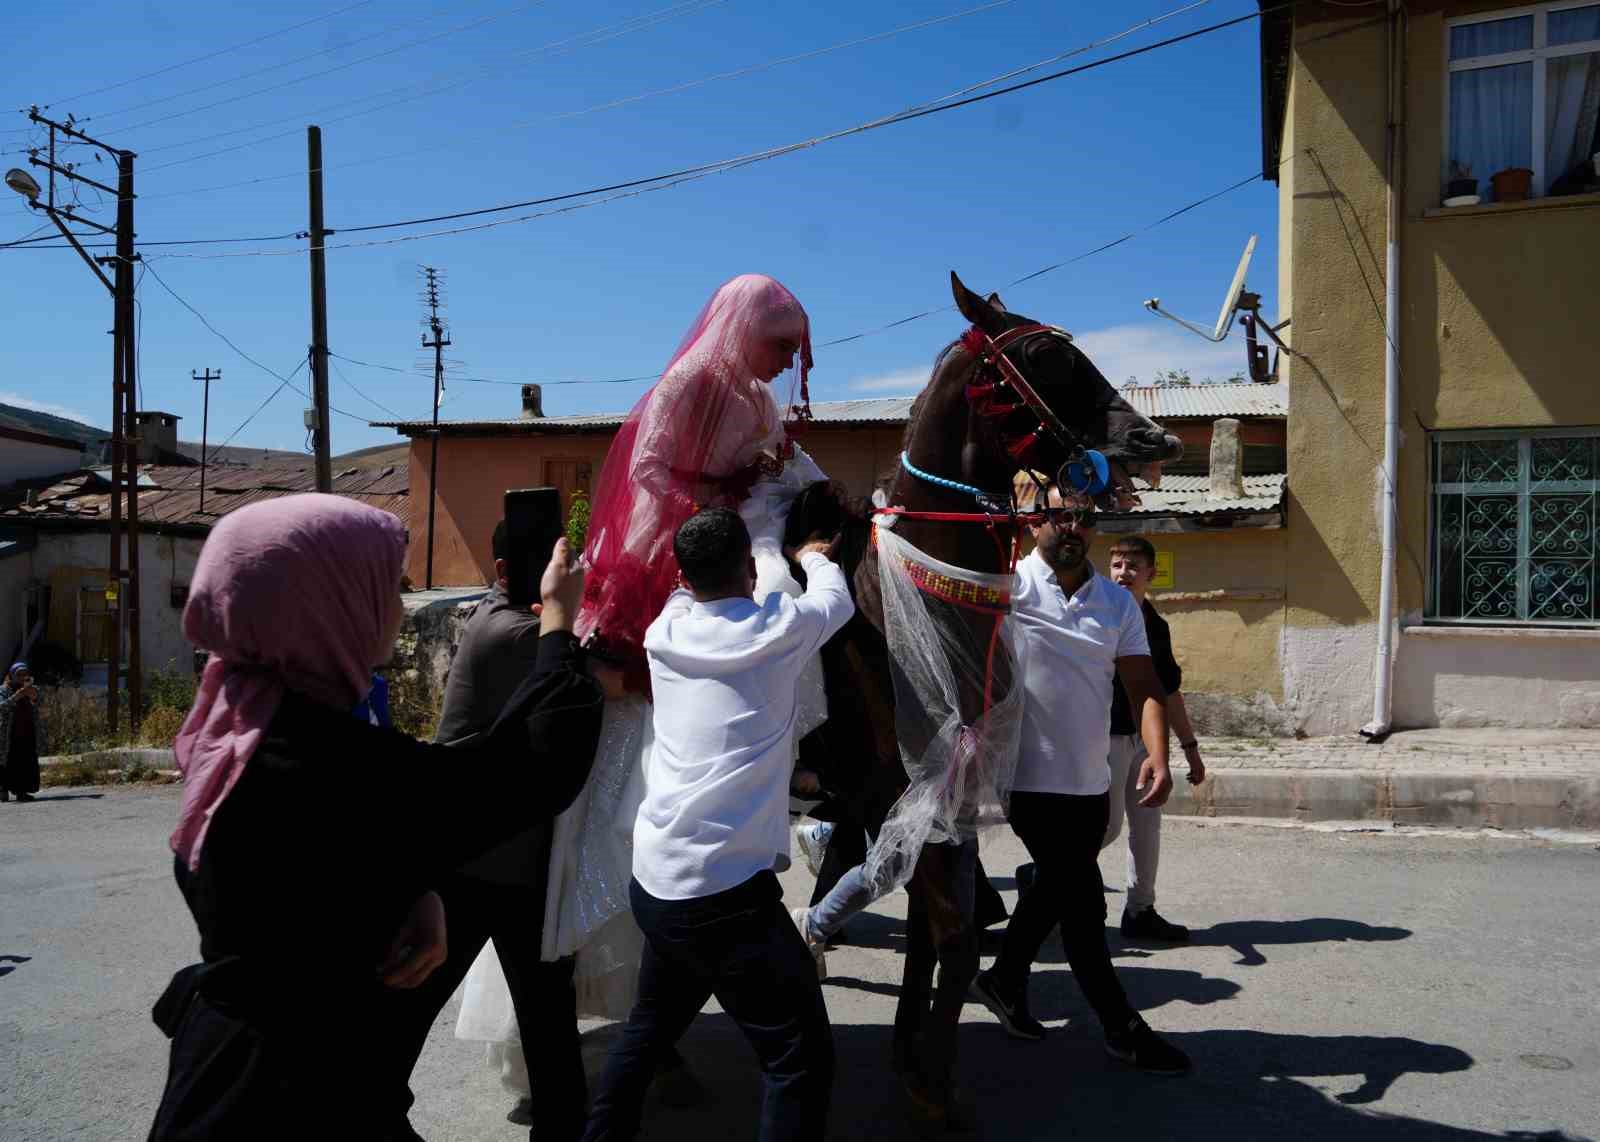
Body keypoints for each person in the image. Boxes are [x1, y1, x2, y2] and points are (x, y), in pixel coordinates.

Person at [145, 495, 604, 1141]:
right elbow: (531, 767)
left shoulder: (241, 717)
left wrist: (410, 884)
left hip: (264, 1071)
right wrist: (561, 622)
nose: (396, 605)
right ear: (323, 604)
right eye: (387, 586)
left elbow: (340, 851)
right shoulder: (316, 759)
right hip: (288, 1096)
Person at [522, 273, 829, 1030]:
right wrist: (720, 505)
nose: (788, 361)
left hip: (731, 526)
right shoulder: (689, 382)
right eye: (779, 345)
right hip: (672, 541)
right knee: (782, 596)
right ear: (742, 329)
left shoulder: (757, 398)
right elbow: (650, 471)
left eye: (795, 349)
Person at [582, 508, 853, 1142]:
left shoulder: (664, 631)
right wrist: (810, 553)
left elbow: (683, 587)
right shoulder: (778, 630)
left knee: (649, 1028)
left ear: (686, 574)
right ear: (747, 571)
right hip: (727, 899)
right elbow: (834, 597)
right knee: (799, 1057)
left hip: (657, 883)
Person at [969, 487, 1192, 1074]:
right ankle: (1122, 1028)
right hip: (1025, 778)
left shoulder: (1118, 606)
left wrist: (1158, 754)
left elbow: (1144, 687)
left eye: (1083, 517)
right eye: (1057, 514)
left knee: (1053, 888)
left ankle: (1004, 981)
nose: (1071, 526)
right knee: (1083, 903)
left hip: (1091, 784)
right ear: (1033, 518)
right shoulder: (1005, 589)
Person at [383, 518, 591, 1139]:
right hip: (474, 864)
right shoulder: (512, 630)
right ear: (505, 571)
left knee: (548, 1021)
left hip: (507, 862)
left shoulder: (503, 616)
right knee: (409, 1008)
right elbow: (591, 680)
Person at [1103, 535, 1206, 942]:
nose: (1123, 572)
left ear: (1152, 573)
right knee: (1105, 829)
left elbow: (1167, 691)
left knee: (1146, 826)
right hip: (1104, 737)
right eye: (1116, 565)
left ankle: (1140, 911)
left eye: (1132, 565)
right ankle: (1046, 881)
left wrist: (1190, 749)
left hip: (1145, 742)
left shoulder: (1157, 626)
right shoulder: (1098, 616)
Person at [0, 662, 43, 803]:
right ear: (12, 676)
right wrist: (16, 696)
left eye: (25, 674)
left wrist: (33, 695)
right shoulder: (3, 690)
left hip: (27, 731)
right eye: (19, 674)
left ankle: (22, 792)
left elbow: (39, 703)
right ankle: (3, 790)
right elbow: (2, 707)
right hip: (8, 733)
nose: (22, 677)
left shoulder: (32, 689)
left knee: (25, 762)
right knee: (6, 762)